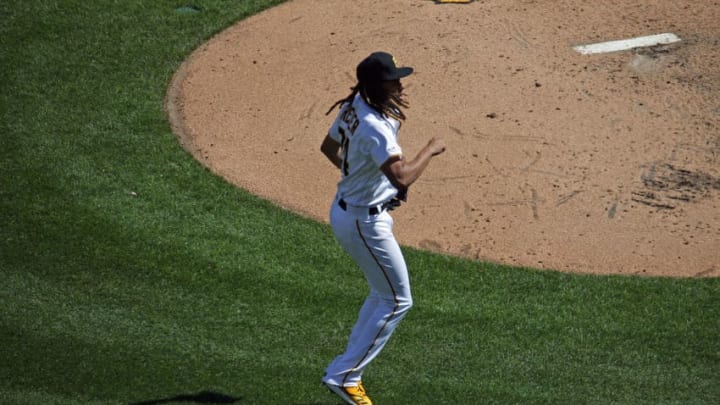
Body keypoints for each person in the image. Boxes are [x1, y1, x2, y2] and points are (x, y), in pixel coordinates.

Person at [320, 51, 446, 405]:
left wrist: (364, 179)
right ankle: (345, 376)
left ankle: (345, 370)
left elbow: (329, 147)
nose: (400, 84)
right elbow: (402, 174)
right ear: (377, 85)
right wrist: (431, 150)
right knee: (398, 300)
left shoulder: (355, 105)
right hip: (363, 223)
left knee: (383, 295)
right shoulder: (374, 126)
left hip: (353, 210)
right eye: (393, 80)